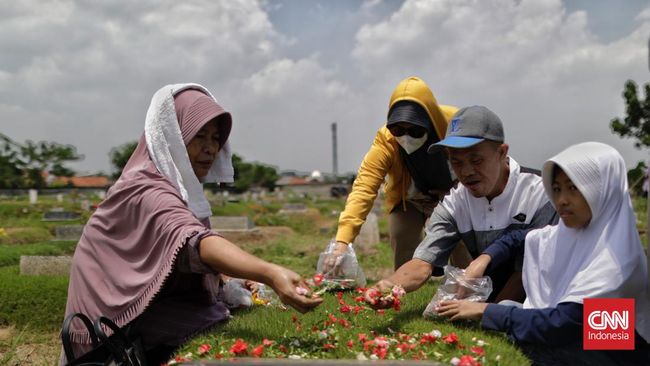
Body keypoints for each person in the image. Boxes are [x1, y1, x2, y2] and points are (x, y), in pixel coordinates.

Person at [61, 84, 322, 365]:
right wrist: (270, 272)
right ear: (173, 137)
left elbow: (179, 254)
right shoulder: (145, 187)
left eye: (215, 138)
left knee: (215, 311)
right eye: (199, 136)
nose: (210, 149)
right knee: (210, 319)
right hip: (110, 325)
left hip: (145, 308)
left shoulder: (180, 187)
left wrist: (229, 279)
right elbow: (194, 242)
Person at [436, 142, 650, 365]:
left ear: (604, 190)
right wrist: (482, 260)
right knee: (513, 314)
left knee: (523, 334)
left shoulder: (618, 261)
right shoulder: (581, 233)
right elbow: (519, 239)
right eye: (556, 189)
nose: (562, 200)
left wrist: (484, 311)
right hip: (583, 335)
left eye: (573, 188)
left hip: (614, 354)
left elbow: (561, 324)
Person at [365, 105, 557, 305]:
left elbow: (527, 272)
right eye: (456, 162)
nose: (466, 172)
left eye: (476, 160)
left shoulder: (541, 193)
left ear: (501, 152)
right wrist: (390, 285)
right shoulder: (455, 202)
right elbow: (423, 262)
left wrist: (489, 315)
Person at [328, 76, 459, 271]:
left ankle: (467, 290)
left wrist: (449, 196)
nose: (405, 138)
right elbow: (364, 187)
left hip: (454, 195)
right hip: (409, 200)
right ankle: (403, 293)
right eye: (398, 129)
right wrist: (342, 243)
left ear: (430, 121)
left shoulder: (454, 125)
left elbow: (476, 167)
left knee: (461, 246)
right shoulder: (386, 140)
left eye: (415, 130)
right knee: (402, 238)